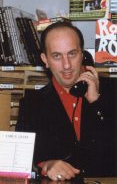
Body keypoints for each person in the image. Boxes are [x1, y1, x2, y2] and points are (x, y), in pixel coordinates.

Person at [16, 21, 116, 181]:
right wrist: (45, 165)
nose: (67, 65)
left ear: (83, 55)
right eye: (57, 56)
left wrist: (96, 102)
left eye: (72, 54)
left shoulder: (112, 91)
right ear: (45, 60)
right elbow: (20, 162)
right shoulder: (32, 104)